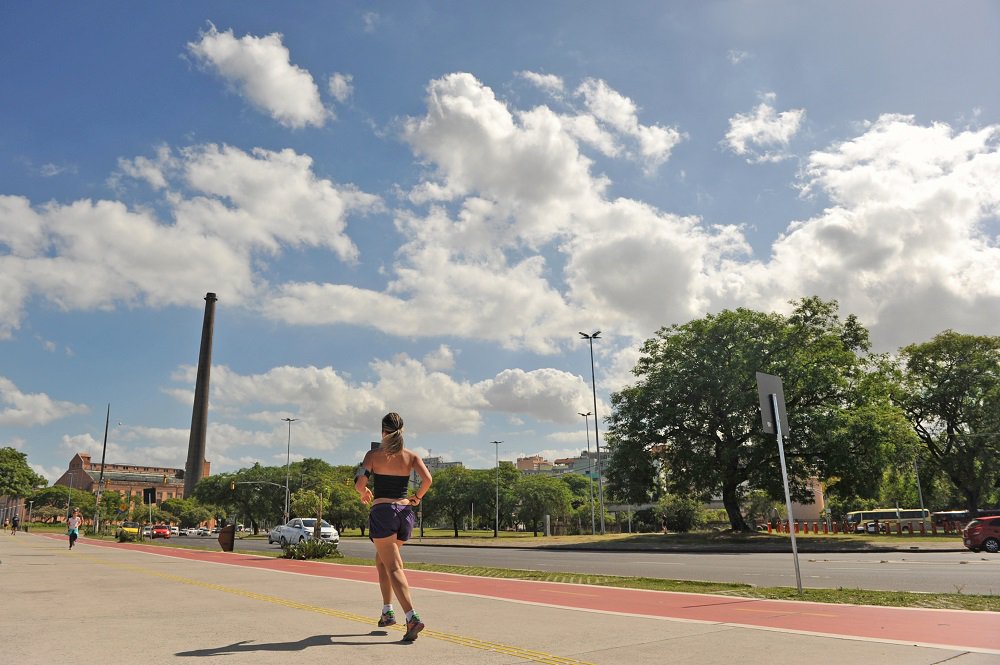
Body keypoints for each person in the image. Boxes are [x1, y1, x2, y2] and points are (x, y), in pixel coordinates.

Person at [355, 412, 432, 641]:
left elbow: (360, 482)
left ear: (383, 432)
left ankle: (412, 617)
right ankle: (387, 611)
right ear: (402, 431)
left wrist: (364, 492)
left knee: (394, 567)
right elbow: (427, 480)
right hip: (405, 514)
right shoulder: (411, 456)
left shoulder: (373, 455)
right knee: (383, 561)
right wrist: (416, 497)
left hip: (384, 513)